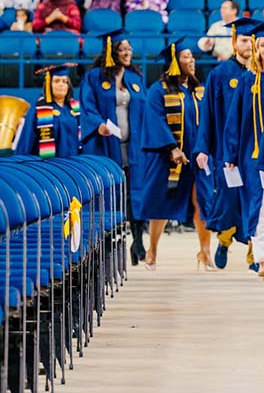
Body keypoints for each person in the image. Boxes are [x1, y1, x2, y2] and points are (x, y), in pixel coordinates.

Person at [193, 17, 259, 271]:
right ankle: (224, 239)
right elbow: (207, 113)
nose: (248, 46)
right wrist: (202, 149)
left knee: (257, 200)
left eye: (251, 41)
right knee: (229, 200)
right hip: (226, 150)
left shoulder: (261, 73)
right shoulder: (220, 75)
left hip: (254, 150)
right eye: (243, 40)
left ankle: (255, 254)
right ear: (234, 42)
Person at [224, 22, 264, 280]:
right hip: (254, 155)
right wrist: (230, 154)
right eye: (263, 45)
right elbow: (234, 119)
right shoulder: (247, 80)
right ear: (256, 49)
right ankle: (263, 259)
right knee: (261, 206)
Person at [140, 39, 210, 270]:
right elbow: (155, 121)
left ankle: (205, 251)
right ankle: (152, 249)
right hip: (167, 156)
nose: (191, 61)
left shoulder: (199, 90)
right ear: (174, 63)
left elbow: (208, 122)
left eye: (192, 57)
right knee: (161, 204)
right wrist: (172, 147)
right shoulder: (157, 90)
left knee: (202, 201)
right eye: (186, 57)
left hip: (196, 155)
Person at [80, 30, 148, 264]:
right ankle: (108, 242)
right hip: (106, 145)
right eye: (122, 49)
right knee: (111, 194)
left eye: (129, 49)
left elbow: (145, 111)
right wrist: (97, 124)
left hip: (133, 147)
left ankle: (138, 241)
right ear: (111, 52)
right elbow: (87, 106)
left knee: (134, 193)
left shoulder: (135, 78)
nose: (128, 52)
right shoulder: (95, 77)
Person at [16, 64, 80, 158]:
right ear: (49, 85)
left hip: (74, 165)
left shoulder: (75, 107)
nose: (61, 84)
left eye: (65, 81)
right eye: (56, 81)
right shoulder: (39, 108)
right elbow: (28, 138)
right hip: (48, 166)